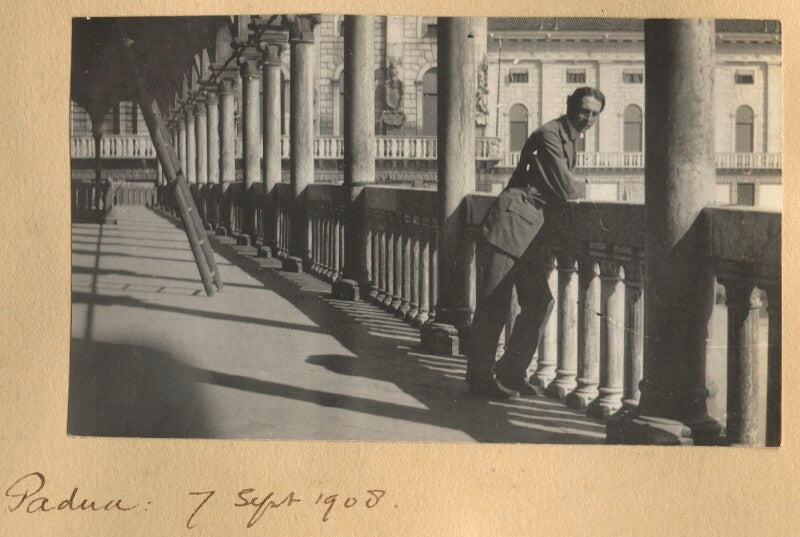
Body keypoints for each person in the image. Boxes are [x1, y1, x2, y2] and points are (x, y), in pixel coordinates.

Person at [466, 87, 605, 399]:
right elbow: (567, 188)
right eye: (584, 110)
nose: (588, 118)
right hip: (510, 226)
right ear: (571, 106)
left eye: (594, 114)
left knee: (540, 301)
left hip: (530, 233)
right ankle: (478, 380)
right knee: (494, 303)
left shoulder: (568, 139)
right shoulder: (549, 135)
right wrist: (586, 185)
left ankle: (511, 371)